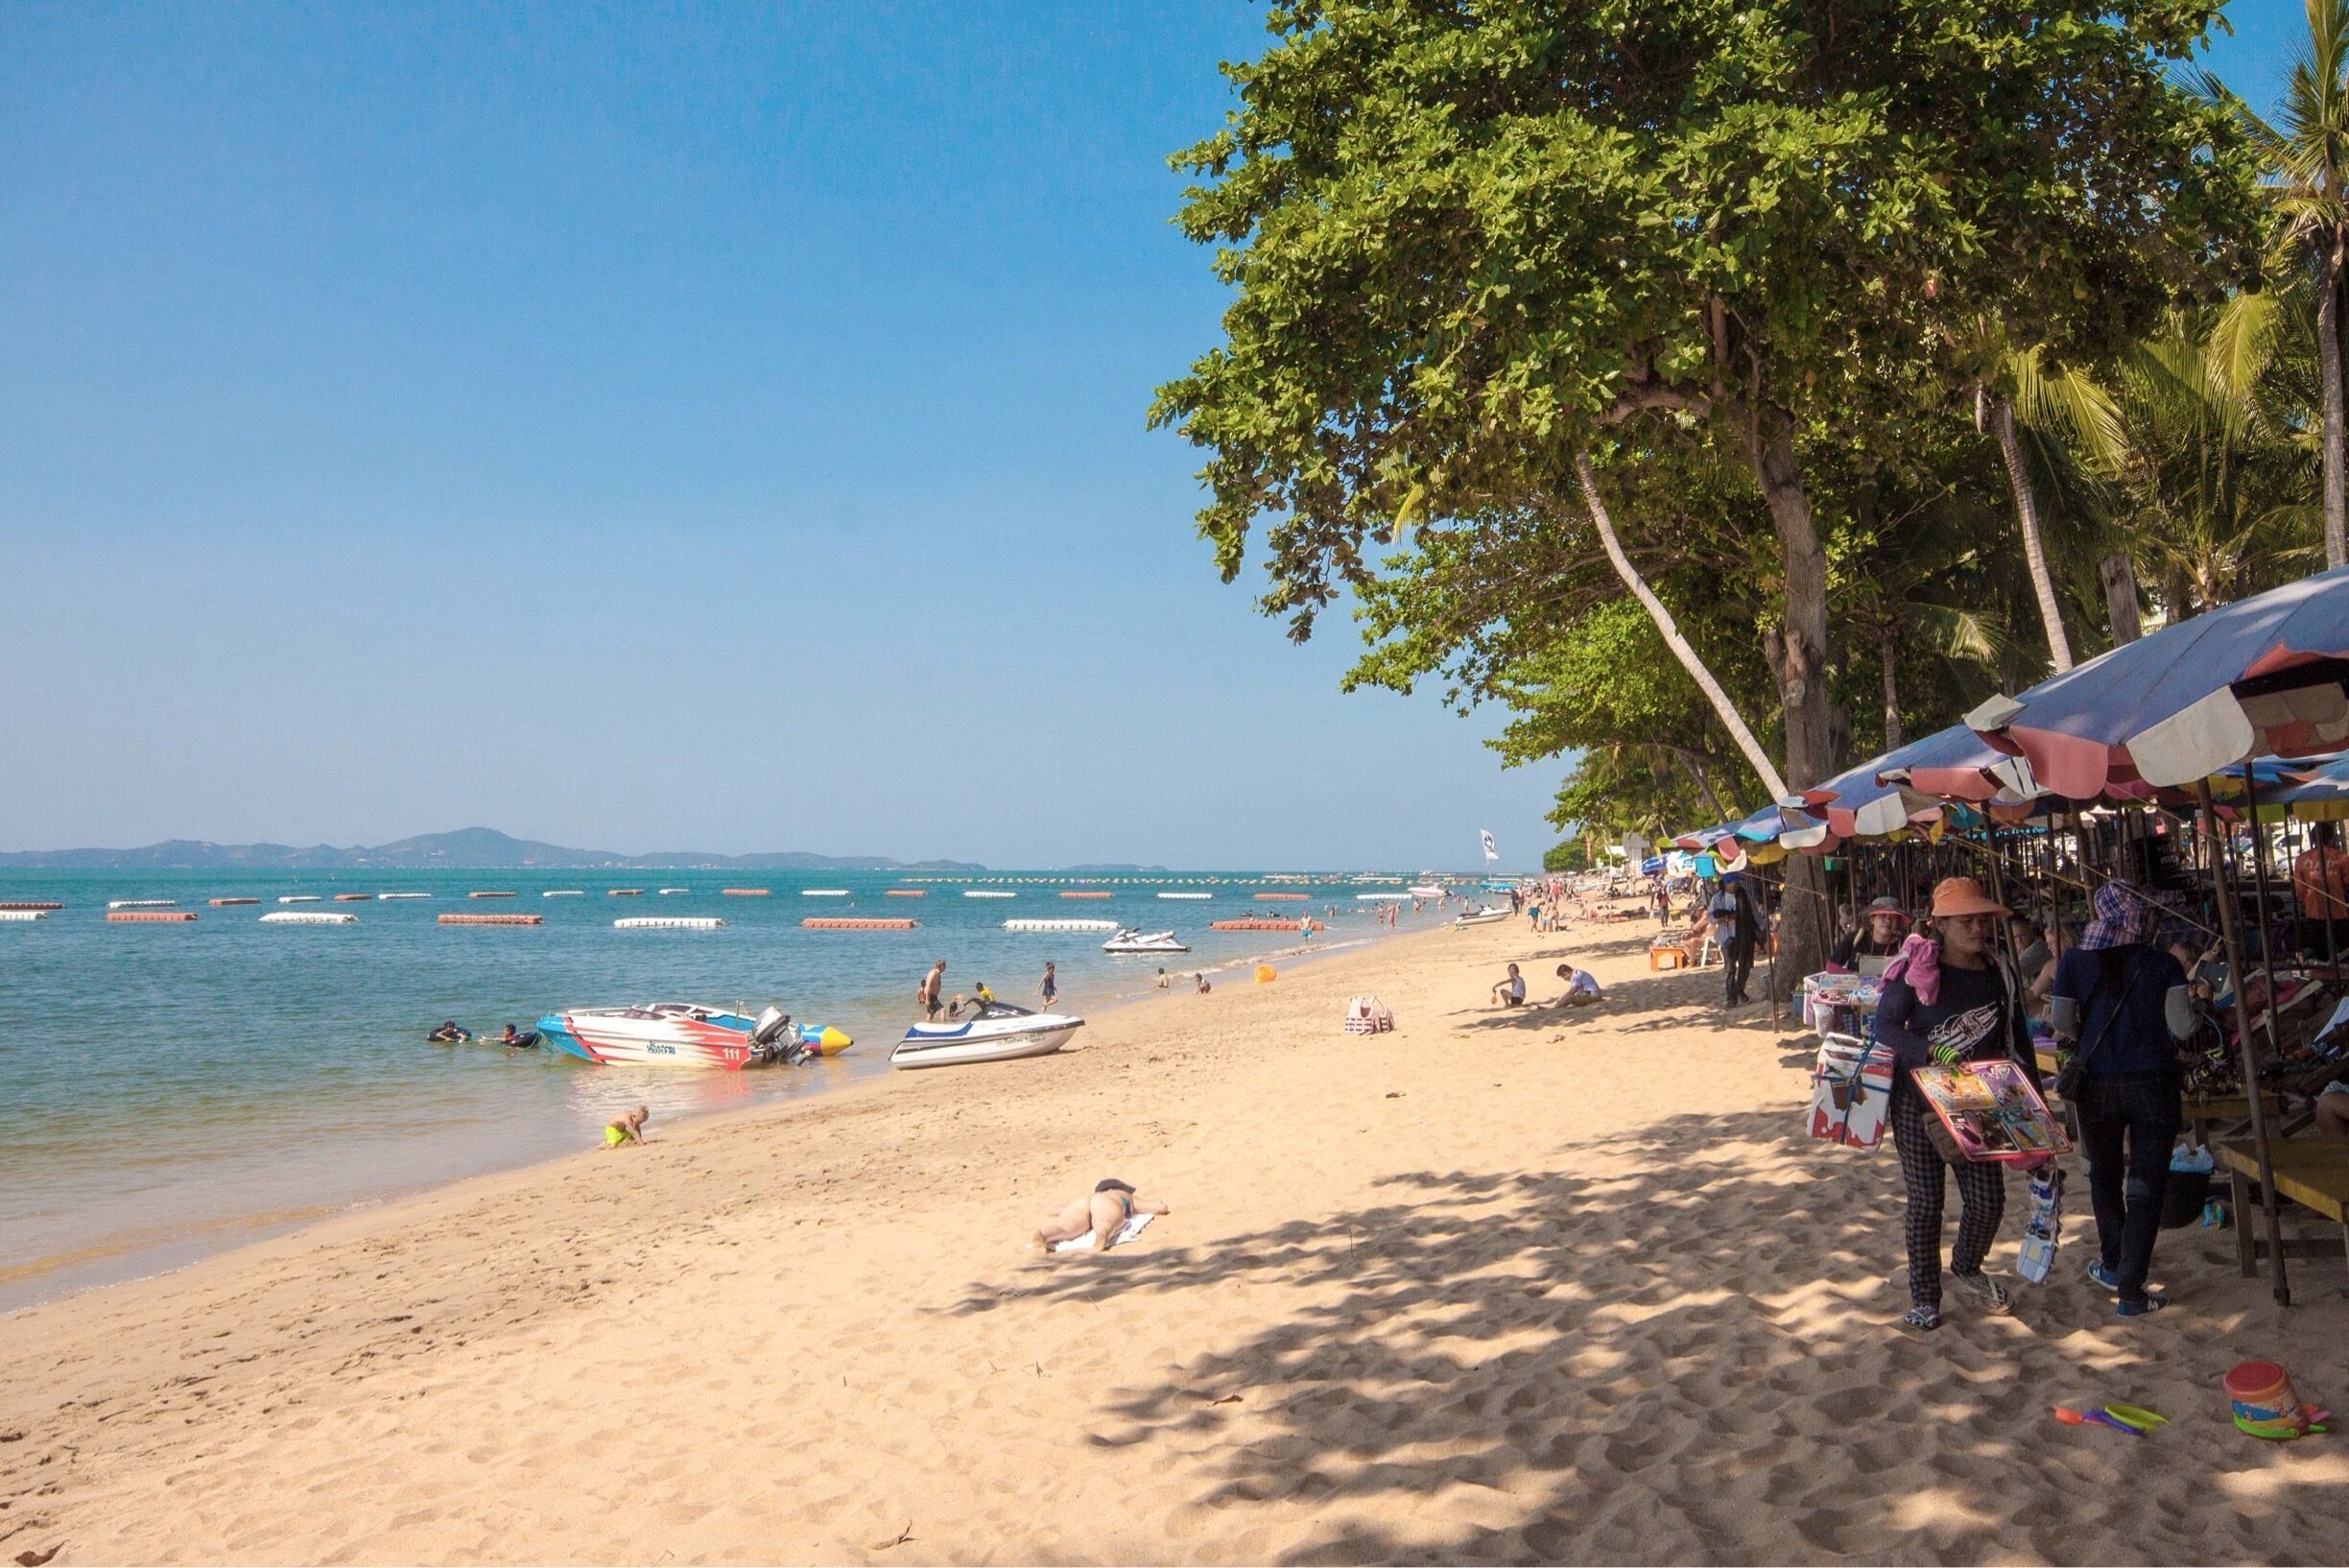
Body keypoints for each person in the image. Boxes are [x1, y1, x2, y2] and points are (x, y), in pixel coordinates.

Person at [1872, 877, 2037, 1332]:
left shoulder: (1998, 971)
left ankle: (1967, 1264)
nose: (1978, 929)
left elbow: (2017, 1036)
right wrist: (1928, 1051)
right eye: (1966, 921)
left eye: (1982, 920)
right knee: (1926, 1204)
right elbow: (1885, 1026)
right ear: (1941, 925)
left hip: (1977, 1101)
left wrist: (2035, 1108)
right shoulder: (1917, 968)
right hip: (1917, 1101)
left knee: (1988, 1203)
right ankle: (1925, 1298)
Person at [2050, 880, 2192, 1319]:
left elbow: (2061, 1021)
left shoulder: (2073, 961)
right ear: (2143, 917)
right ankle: (2132, 1290)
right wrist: (2201, 1006)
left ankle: (2112, 1263)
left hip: (2096, 1085)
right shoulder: (2164, 963)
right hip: (2154, 1084)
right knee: (2146, 1185)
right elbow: (2183, 1027)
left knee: (2103, 1175)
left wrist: (2091, 1035)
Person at [1032, 1178, 1171, 1253]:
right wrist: (1162, 1203)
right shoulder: (1124, 1195)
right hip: (1107, 1203)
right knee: (1105, 1221)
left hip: (1081, 1202)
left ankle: (1044, 1234)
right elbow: (1159, 1208)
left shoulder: (1094, 1195)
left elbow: (1053, 1210)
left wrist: (1068, 1208)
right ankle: (1101, 1236)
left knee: (1065, 1228)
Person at [2296, 821, 2349, 955]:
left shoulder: (2301, 859)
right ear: (2331, 838)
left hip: (2314, 910)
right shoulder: (2341, 857)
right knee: (2344, 950)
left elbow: (2300, 889)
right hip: (2338, 910)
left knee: (2321, 951)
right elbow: (2347, 882)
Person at [1708, 874, 1760, 1006]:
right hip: (1727, 937)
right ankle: (1731, 998)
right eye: (1734, 883)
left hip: (1744, 936)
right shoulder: (1717, 898)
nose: (1736, 885)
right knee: (1730, 968)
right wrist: (1723, 918)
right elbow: (1710, 917)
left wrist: (1760, 927)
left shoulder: (1743, 895)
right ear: (1727, 883)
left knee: (1745, 966)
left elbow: (1753, 913)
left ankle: (1738, 989)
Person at [1834, 897, 1910, 975]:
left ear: (1898, 922)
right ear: (1872, 919)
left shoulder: (1905, 946)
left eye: (1893, 917)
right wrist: (1852, 976)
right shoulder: (1856, 938)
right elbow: (1832, 966)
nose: (1888, 921)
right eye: (1883, 916)